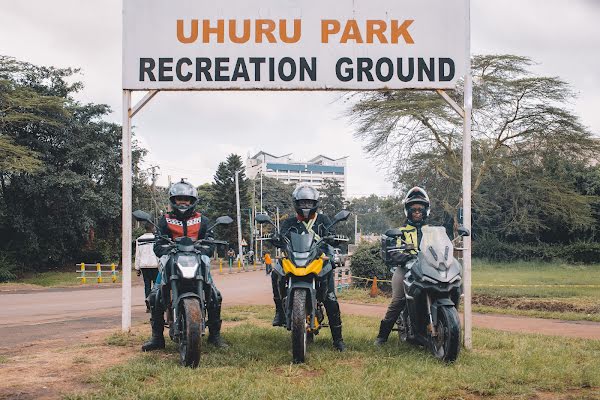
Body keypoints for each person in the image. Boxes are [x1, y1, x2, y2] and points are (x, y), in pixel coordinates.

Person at [142, 179, 227, 352]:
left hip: (197, 259)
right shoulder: (164, 220)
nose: (183, 202)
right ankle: (157, 338)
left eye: (186, 199)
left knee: (215, 296)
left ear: (192, 201)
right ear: (173, 200)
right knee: (154, 297)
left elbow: (210, 243)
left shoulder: (202, 220)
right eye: (179, 198)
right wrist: (165, 249)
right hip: (172, 259)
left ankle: (215, 335)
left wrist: (204, 248)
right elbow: (158, 244)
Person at [270, 183, 346, 351]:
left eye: (309, 203)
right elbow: (281, 238)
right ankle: (279, 311)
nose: (306, 206)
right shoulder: (289, 222)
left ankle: (338, 340)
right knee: (275, 274)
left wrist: (333, 240)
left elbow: (331, 236)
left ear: (315, 203)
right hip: (295, 260)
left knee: (330, 299)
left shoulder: (323, 220)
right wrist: (274, 238)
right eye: (302, 202)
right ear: (296, 203)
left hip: (320, 261)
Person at [374, 186, 430, 345]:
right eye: (413, 208)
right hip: (405, 269)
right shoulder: (402, 231)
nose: (417, 211)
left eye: (420, 208)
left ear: (426, 210)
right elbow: (393, 251)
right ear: (408, 210)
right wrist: (405, 257)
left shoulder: (432, 231)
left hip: (428, 268)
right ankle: (382, 337)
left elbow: (441, 247)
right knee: (398, 300)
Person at [134, 222, 159, 312]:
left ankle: (148, 305)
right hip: (154, 265)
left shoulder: (139, 239)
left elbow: (138, 254)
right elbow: (158, 253)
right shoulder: (156, 239)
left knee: (147, 285)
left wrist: (137, 268)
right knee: (156, 285)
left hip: (144, 265)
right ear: (152, 228)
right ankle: (154, 303)